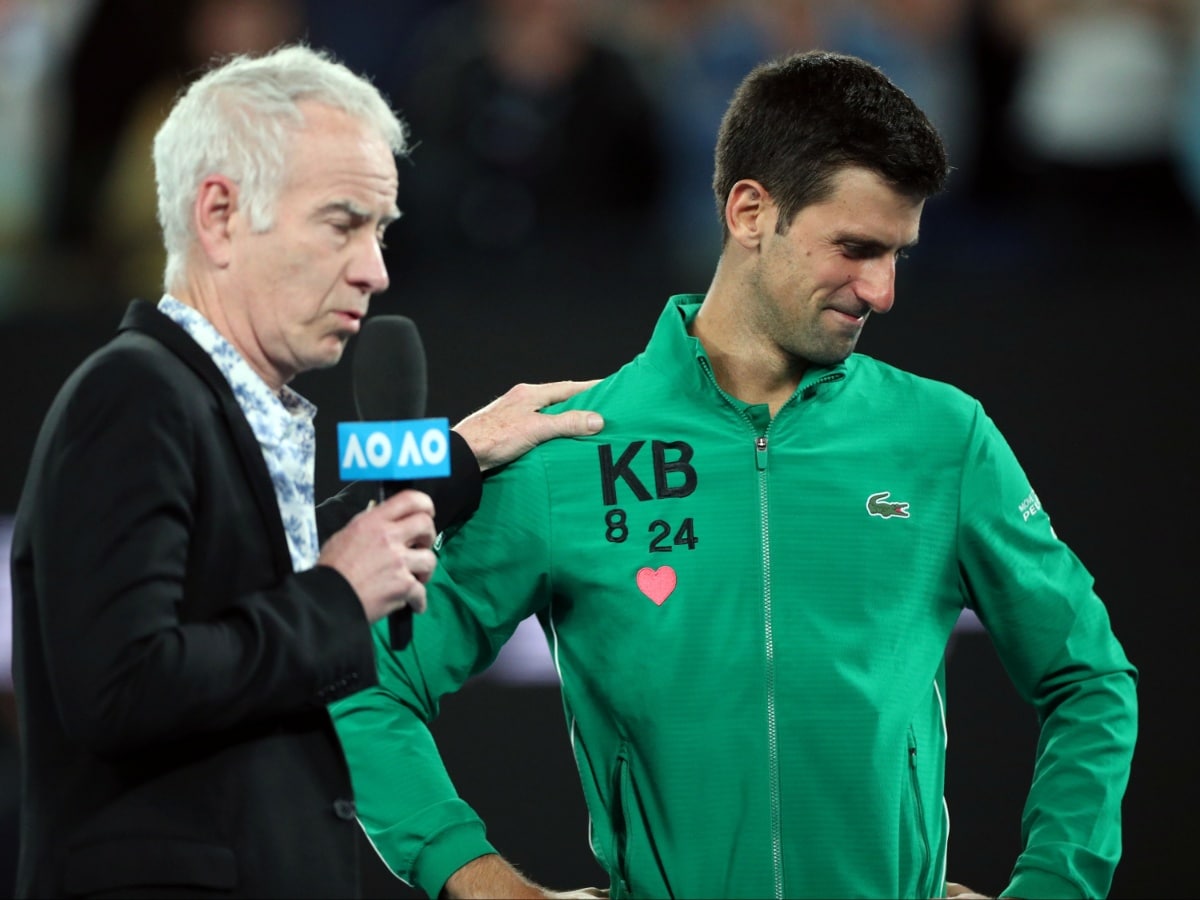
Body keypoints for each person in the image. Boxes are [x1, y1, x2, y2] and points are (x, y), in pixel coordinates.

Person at [331, 49, 1138, 900]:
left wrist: (1054, 885)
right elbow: (365, 682)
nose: (883, 290)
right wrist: (483, 884)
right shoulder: (574, 451)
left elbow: (1089, 678)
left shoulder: (945, 437)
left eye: (898, 253)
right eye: (857, 248)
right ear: (751, 211)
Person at [9, 44, 603, 899]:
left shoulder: (210, 403)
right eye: (341, 222)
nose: (376, 268)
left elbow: (240, 589)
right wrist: (337, 591)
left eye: (382, 229)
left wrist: (455, 458)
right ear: (218, 215)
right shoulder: (135, 396)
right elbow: (120, 687)